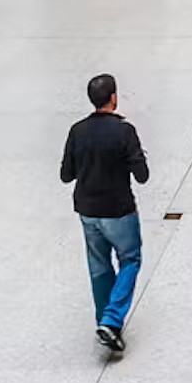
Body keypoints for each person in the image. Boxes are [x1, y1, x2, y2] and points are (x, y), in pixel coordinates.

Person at [60, 73, 149, 353]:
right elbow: (142, 175)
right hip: (118, 210)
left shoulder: (77, 130)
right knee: (130, 260)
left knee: (99, 266)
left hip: (87, 210)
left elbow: (66, 174)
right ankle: (111, 321)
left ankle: (105, 322)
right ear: (113, 97)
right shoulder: (124, 131)